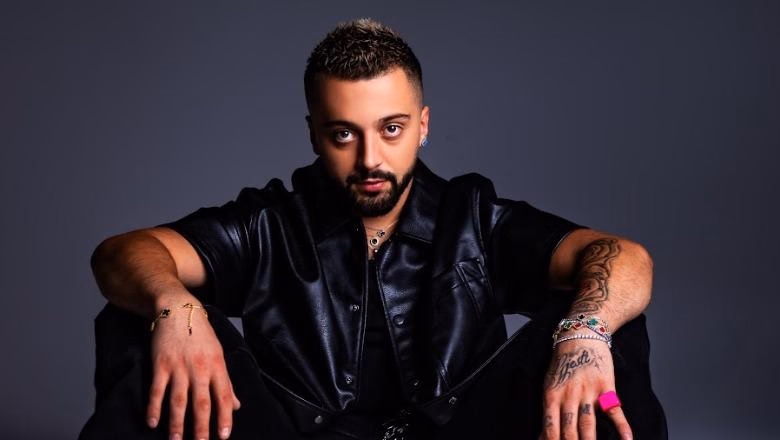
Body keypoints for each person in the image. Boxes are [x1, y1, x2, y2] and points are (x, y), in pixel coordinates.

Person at [80, 18, 667, 440]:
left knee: (605, 321)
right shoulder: (269, 223)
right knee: (142, 319)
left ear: (422, 126)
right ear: (314, 134)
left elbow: (624, 257)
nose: (369, 159)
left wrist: (584, 333)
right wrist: (174, 306)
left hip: (464, 433)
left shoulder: (473, 217)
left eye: (391, 129)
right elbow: (123, 253)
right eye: (344, 134)